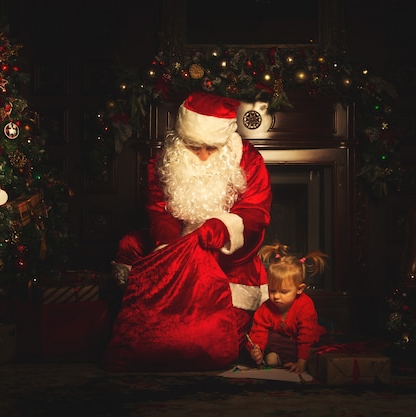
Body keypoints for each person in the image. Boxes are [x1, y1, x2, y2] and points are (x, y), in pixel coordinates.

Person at [102, 91, 272, 371]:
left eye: (211, 148)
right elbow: (159, 210)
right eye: (195, 147)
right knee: (132, 245)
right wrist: (169, 246)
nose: (203, 155)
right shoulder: (163, 161)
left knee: (216, 337)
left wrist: (219, 230)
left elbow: (256, 214)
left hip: (226, 254)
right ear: (182, 139)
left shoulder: (248, 160)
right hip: (177, 243)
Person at [246, 242, 327, 374]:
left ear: (299, 289)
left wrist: (302, 362)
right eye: (272, 291)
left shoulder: (305, 305)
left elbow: (306, 335)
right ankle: (276, 358)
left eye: (283, 292)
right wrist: (256, 349)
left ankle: (298, 359)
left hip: (299, 343)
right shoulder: (267, 307)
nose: (276, 296)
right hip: (280, 344)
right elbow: (258, 330)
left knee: (313, 341)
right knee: (270, 338)